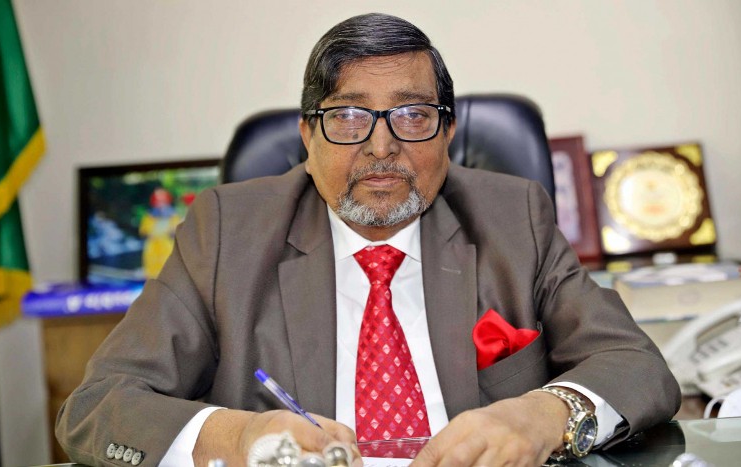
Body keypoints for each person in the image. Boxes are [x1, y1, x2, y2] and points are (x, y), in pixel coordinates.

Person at [56, 12, 681, 467]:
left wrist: (542, 414)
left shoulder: (513, 216)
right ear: (308, 136)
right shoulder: (226, 230)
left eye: (412, 115)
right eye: (348, 116)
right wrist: (239, 437)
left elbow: (636, 366)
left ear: (448, 133)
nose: (382, 146)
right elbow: (97, 406)